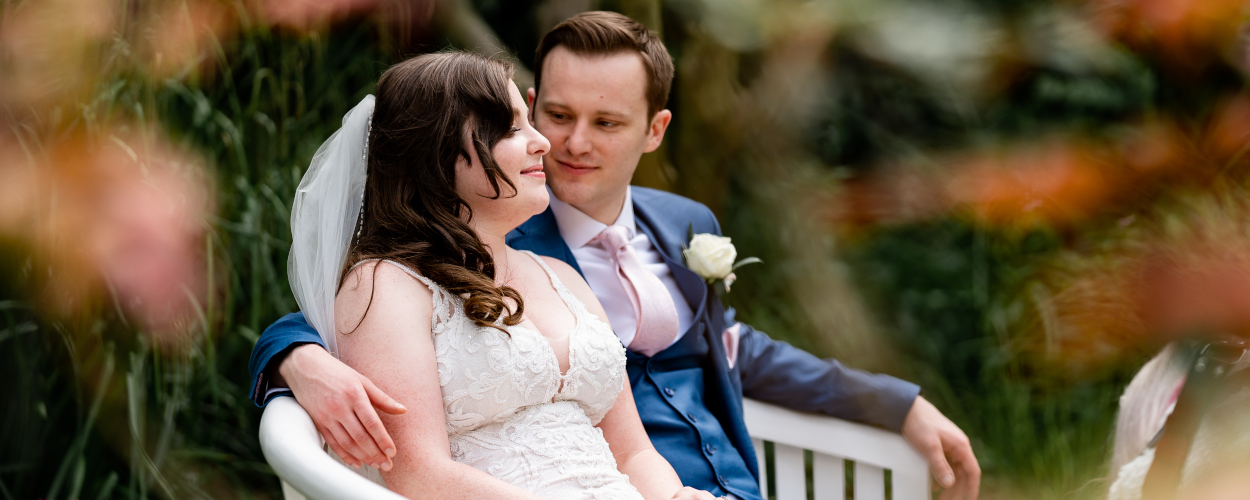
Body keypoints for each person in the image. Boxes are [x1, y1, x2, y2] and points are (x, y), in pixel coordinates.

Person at [250, 12, 981, 500]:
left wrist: (896, 403)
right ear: (448, 154)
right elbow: (347, 320)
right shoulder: (422, 266)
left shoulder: (670, 228)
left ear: (654, 130)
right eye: (550, 116)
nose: (565, 143)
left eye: (606, 122)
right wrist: (290, 357)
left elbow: (736, 353)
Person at [284, 51, 713, 499]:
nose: (542, 142)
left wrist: (678, 496)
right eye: (510, 128)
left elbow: (632, 454)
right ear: (438, 151)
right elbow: (420, 474)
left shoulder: (561, 276)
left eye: (530, 122)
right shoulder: (385, 285)